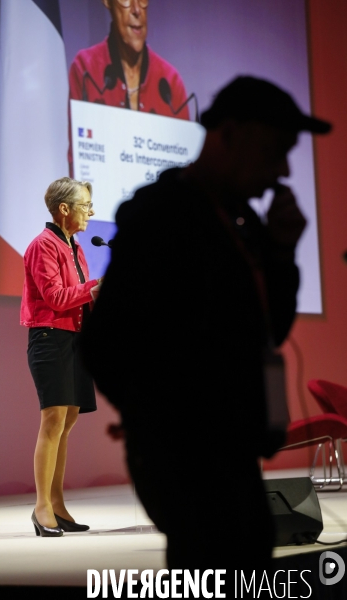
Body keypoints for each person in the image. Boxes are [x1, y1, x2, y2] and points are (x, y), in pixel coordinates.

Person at [80, 76, 331, 578]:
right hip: (188, 458)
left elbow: (267, 332)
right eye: (274, 150)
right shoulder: (163, 215)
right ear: (230, 134)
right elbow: (104, 343)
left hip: (231, 450)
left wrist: (282, 253)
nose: (283, 169)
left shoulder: (243, 224)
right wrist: (161, 422)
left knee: (247, 551)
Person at [20, 177, 103, 537]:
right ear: (64, 209)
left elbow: (80, 297)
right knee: (53, 422)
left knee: (66, 424)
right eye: (85, 206)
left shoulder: (75, 246)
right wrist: (93, 288)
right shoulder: (43, 245)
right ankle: (41, 509)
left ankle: (57, 504)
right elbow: (55, 297)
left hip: (74, 340)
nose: (91, 212)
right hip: (50, 338)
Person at [68, 0, 190, 175]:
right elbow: (77, 164)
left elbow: (185, 175)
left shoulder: (170, 82)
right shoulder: (86, 69)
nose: (136, 10)